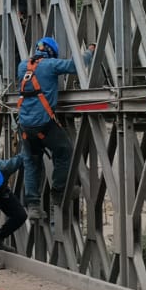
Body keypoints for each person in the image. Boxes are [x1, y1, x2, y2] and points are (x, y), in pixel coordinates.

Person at [16, 36, 96, 220]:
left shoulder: (22, 66)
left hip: (25, 126)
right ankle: (58, 194)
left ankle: (33, 205)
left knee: (31, 162)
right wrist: (90, 51)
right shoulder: (51, 65)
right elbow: (75, 66)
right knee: (65, 151)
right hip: (43, 124)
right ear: (52, 52)